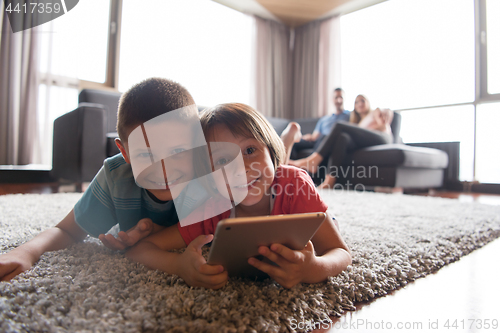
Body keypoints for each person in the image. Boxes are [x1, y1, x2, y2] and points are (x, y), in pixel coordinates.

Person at [125, 103, 352, 290]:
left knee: (328, 223)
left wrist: (313, 268)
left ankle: (288, 141)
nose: (242, 168)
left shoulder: (295, 184)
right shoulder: (211, 208)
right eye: (223, 161)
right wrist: (179, 265)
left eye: (250, 150)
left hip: (307, 209)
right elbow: (141, 249)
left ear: (270, 149)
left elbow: (340, 253)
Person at [0, 77, 198, 281]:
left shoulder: (211, 176)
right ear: (125, 152)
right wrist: (25, 252)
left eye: (177, 151)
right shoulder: (116, 177)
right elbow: (66, 230)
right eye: (146, 155)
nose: (163, 171)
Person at [289, 94, 394, 189]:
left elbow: (386, 111)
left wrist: (385, 113)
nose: (359, 104)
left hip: (382, 137)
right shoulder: (358, 121)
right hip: (366, 141)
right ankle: (330, 180)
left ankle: (313, 160)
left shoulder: (374, 112)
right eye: (356, 102)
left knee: (339, 125)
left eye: (362, 100)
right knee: (342, 138)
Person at [281, 88, 350, 164]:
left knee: (324, 137)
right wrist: (306, 137)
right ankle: (288, 166)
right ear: (332, 99)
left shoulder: (349, 115)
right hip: (318, 139)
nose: (338, 100)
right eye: (336, 97)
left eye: (341, 97)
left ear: (345, 99)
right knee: (294, 142)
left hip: (330, 140)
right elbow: (314, 137)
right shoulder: (324, 119)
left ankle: (312, 163)